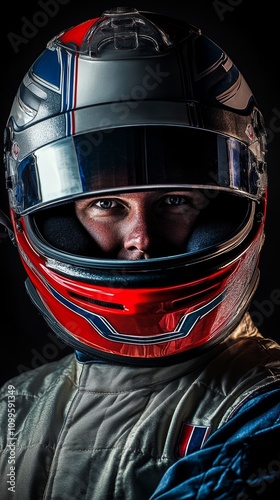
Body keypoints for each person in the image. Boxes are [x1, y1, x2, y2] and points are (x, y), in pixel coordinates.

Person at [0, 5, 280, 499]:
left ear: (232, 208)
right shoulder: (14, 410)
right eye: (106, 204)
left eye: (175, 201)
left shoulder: (264, 408)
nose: (141, 240)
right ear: (52, 219)